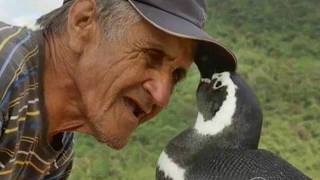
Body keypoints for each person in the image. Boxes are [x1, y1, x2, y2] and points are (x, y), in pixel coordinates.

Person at [0, 0, 236, 179]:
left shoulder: (57, 150)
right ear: (83, 22)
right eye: (152, 56)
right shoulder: (4, 69)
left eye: (175, 76)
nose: (162, 96)